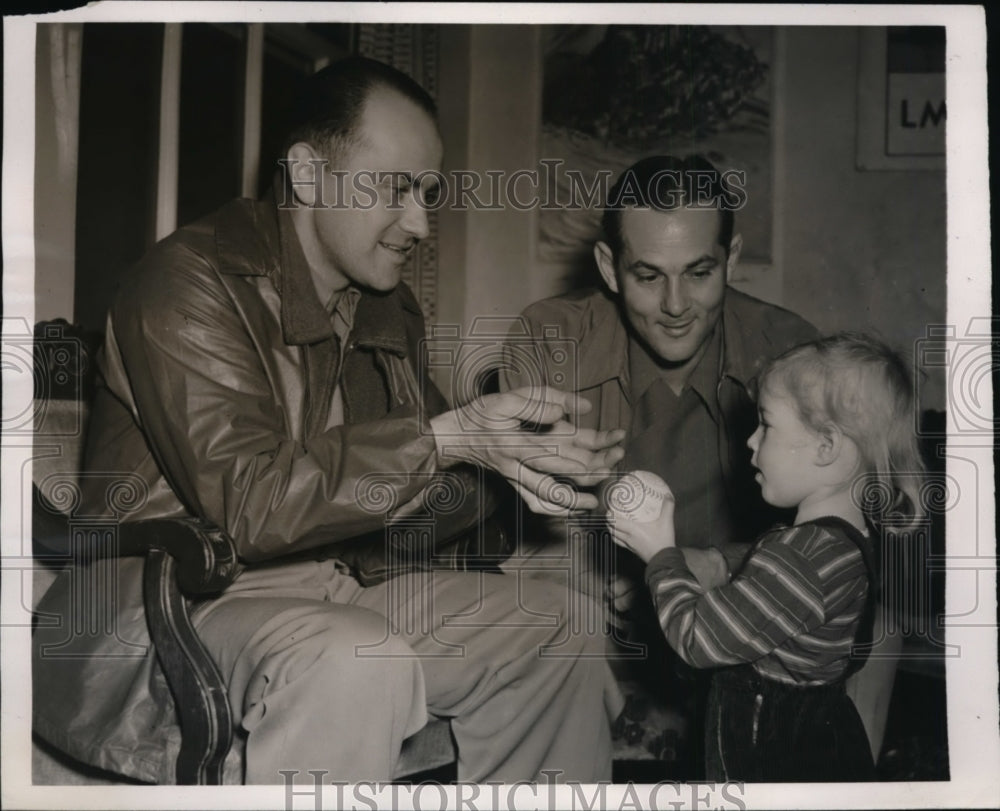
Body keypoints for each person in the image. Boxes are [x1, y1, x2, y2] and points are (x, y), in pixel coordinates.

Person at [32, 57, 627, 785]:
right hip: (173, 606)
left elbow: (421, 494)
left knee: (561, 629)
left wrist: (509, 467)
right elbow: (252, 505)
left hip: (342, 583)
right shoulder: (186, 283)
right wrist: (450, 439)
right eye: (395, 188)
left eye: (429, 193)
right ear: (308, 175)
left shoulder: (386, 305)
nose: (421, 223)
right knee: (348, 657)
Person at [608, 333, 924, 781]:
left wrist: (660, 553)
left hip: (772, 759)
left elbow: (698, 641)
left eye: (767, 425)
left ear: (826, 447)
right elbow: (765, 593)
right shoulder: (837, 541)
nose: (751, 441)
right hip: (812, 740)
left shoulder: (804, 558)